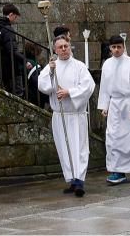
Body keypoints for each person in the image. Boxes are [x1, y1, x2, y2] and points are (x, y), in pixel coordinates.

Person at [36, 35, 95, 197]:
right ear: (55, 50)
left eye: (66, 46)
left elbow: (89, 86)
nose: (63, 49)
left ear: (70, 47)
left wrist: (70, 92)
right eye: (60, 47)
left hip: (76, 115)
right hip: (60, 115)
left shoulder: (79, 66)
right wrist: (51, 74)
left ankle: (80, 181)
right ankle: (71, 180)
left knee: (79, 148)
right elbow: (43, 86)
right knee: (64, 148)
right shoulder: (51, 67)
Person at [99, 36, 130, 185]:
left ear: (123, 46)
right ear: (110, 48)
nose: (116, 50)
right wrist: (104, 105)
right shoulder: (107, 64)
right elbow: (105, 86)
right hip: (115, 105)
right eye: (113, 47)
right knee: (114, 138)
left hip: (129, 103)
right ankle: (117, 171)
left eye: (119, 47)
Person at [0, 4, 27, 98]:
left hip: (1, 69)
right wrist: (24, 60)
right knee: (18, 95)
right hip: (11, 68)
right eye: (15, 16)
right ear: (10, 14)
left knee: (7, 95)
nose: (15, 19)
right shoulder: (7, 29)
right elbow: (12, 50)